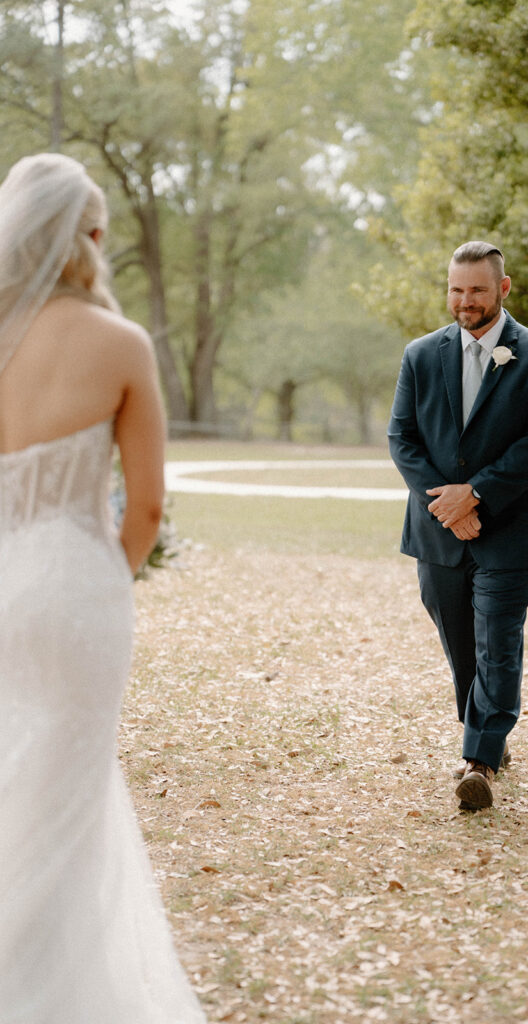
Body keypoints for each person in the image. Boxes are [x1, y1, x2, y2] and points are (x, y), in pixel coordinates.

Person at [0, 153, 206, 1022]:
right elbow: (148, 504)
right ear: (87, 236)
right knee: (70, 787)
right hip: (79, 584)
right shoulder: (121, 343)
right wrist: (103, 582)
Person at [388, 240, 528, 810]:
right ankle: (489, 731)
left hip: (513, 530)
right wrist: (447, 506)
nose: (465, 302)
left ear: (504, 289)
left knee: (497, 642)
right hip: (437, 531)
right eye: (456, 290)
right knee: (461, 646)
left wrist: (479, 497)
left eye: (478, 291)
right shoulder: (420, 355)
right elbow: (402, 438)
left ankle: (480, 762)